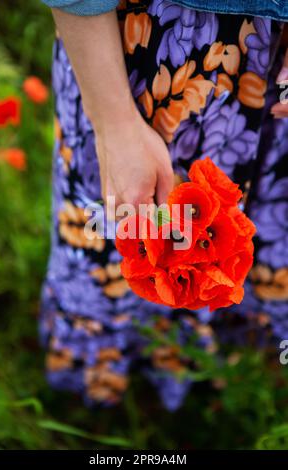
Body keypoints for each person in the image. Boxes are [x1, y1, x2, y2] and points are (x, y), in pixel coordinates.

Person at [39, 0, 288, 410]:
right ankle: (112, 389)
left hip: (274, 69)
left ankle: (237, 381)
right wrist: (114, 123)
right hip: (144, 56)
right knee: (121, 227)